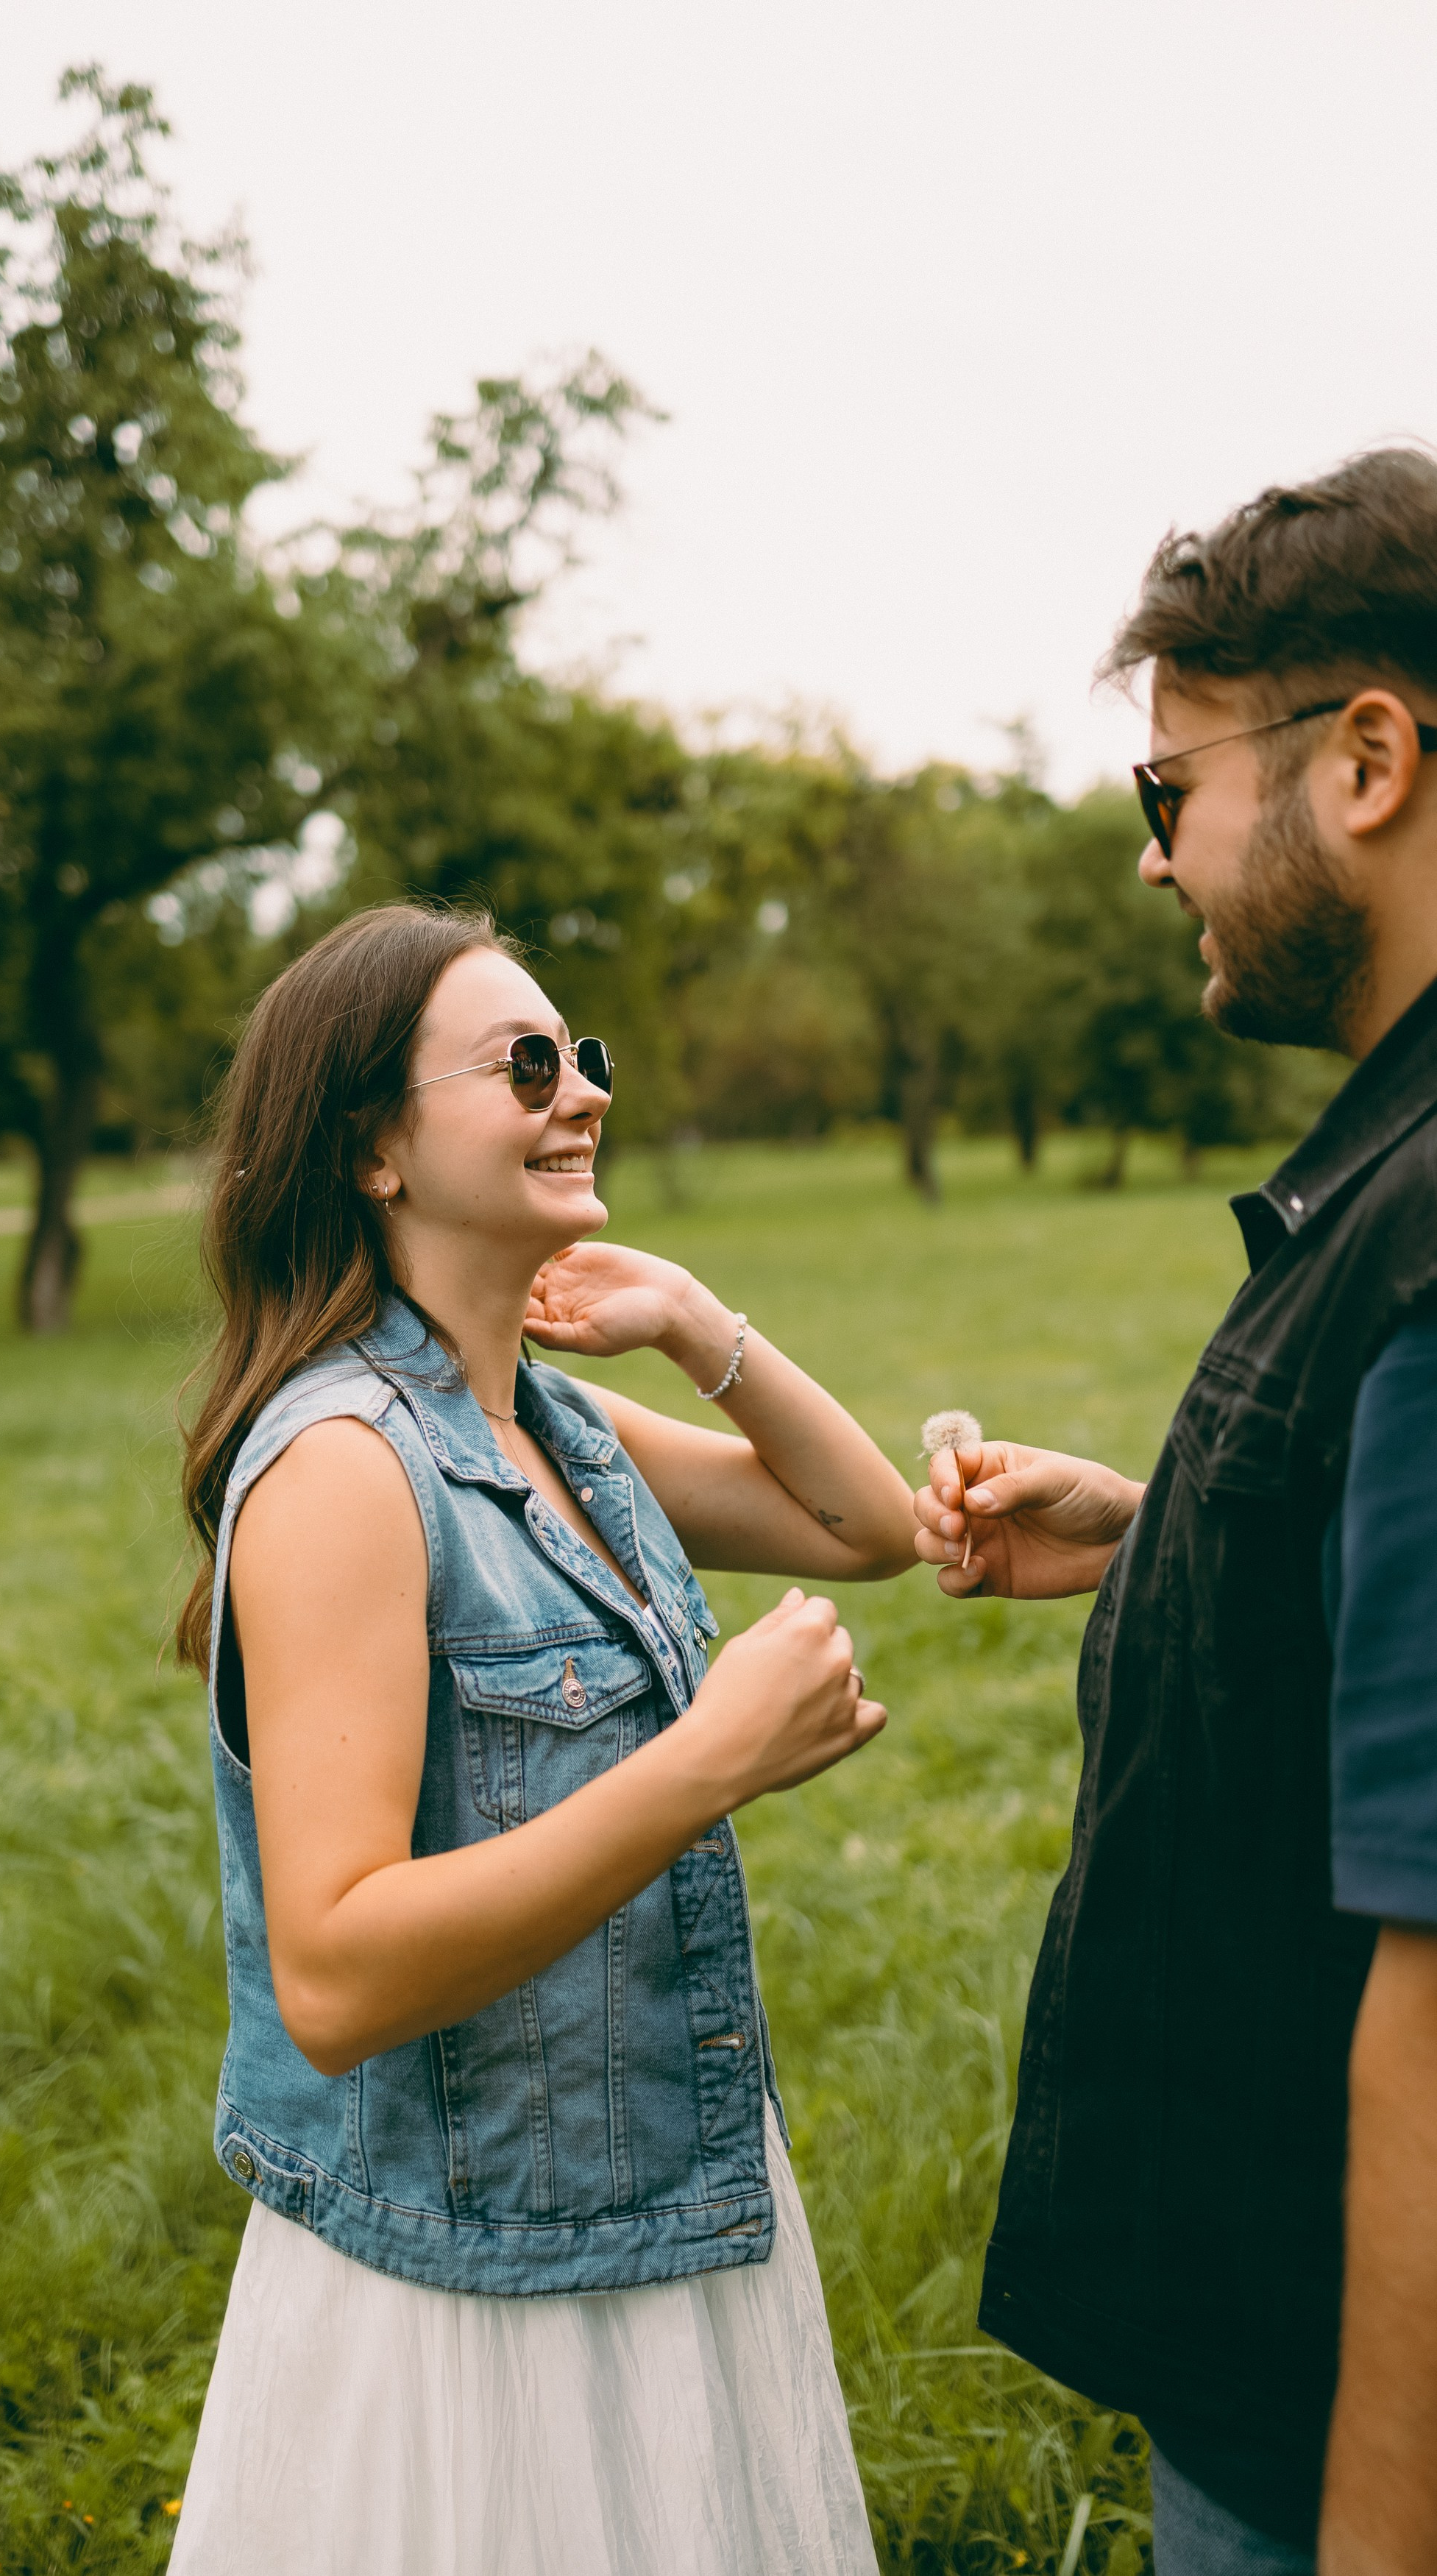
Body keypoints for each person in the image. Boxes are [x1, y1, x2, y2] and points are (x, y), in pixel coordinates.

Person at [168, 902, 918, 2575]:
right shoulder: (346, 1468)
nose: (582, 1089)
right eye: (524, 1063)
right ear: (373, 1146)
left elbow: (865, 1527)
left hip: (649, 2182)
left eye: (584, 1053)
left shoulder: (548, 1419)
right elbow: (334, 1975)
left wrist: (693, 1318)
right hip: (478, 2280)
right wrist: (710, 1760)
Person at [912, 449, 1437, 2574]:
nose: (1154, 856)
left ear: (1367, 762)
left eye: (1169, 788)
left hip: (1328, 2424)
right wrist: (1165, 1541)